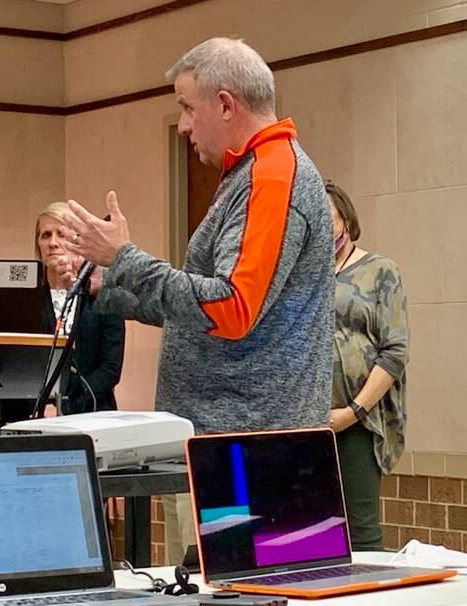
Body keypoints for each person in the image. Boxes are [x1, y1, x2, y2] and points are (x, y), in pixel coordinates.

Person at [61, 38, 334, 565]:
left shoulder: (272, 177)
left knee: (251, 590)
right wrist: (112, 284)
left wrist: (126, 258)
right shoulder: (253, 173)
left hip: (255, 450)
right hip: (242, 442)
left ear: (226, 104)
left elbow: (229, 309)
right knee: (223, 584)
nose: (183, 125)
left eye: (187, 107)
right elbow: (202, 310)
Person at [326, 181, 408, 551]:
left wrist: (353, 411)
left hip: (357, 419)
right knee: (311, 530)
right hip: (302, 420)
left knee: (362, 534)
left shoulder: (380, 271)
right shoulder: (295, 273)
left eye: (327, 216)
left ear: (346, 219)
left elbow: (394, 351)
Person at [34, 202, 125, 416]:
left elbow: (111, 369)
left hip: (93, 412)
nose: (53, 243)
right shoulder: (28, 302)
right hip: (38, 413)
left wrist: (69, 404)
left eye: (61, 235)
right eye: (45, 235)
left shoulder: (101, 296)